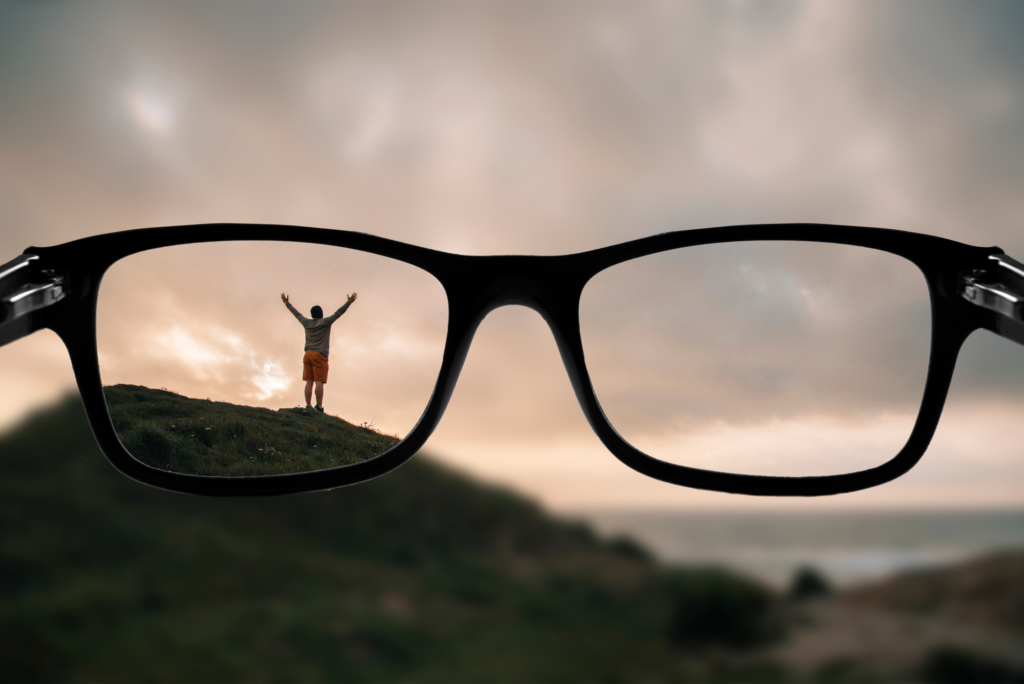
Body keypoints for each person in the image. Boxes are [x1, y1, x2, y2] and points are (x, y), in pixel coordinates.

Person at [281, 291, 358, 412]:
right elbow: (338, 313)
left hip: (307, 354)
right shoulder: (325, 322)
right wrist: (349, 302)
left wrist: (287, 303)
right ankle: (319, 407)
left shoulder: (306, 323)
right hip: (319, 355)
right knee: (319, 382)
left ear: (312, 315)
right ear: (322, 314)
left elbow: (297, 314)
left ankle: (308, 405)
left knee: (309, 382)